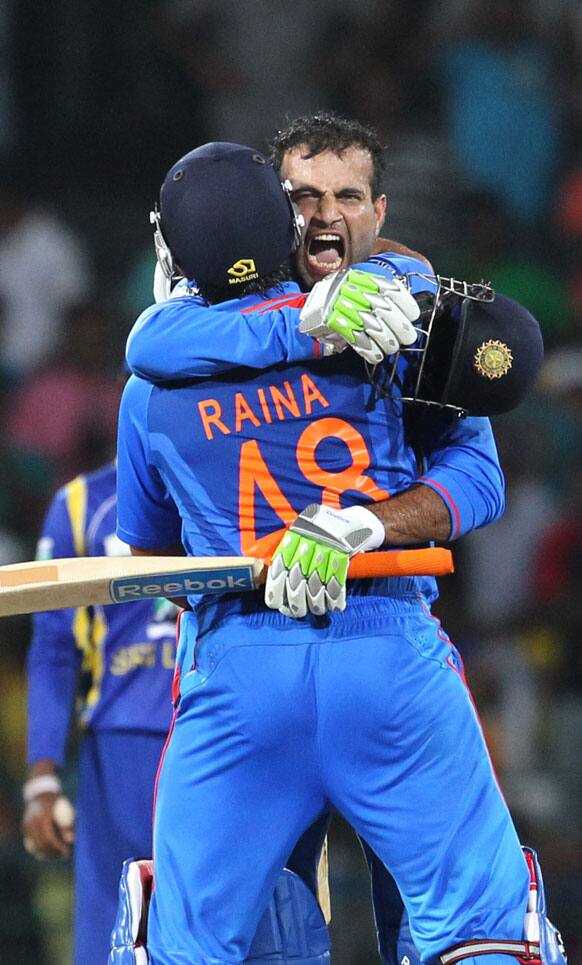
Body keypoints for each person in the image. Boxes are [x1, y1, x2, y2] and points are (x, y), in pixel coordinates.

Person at [116, 139, 564, 964]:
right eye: (307, 199)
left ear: (379, 210)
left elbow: (149, 556)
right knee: (487, 930)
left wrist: (368, 522)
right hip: (389, 654)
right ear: (281, 219)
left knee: (184, 946)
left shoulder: (153, 383)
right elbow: (482, 480)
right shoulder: (395, 336)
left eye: (349, 197)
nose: (328, 217)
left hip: (237, 671)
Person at [21, 460, 178, 965]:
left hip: (220, 725)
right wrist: (42, 777)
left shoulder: (234, 478)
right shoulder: (78, 504)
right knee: (111, 937)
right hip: (121, 745)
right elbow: (52, 643)